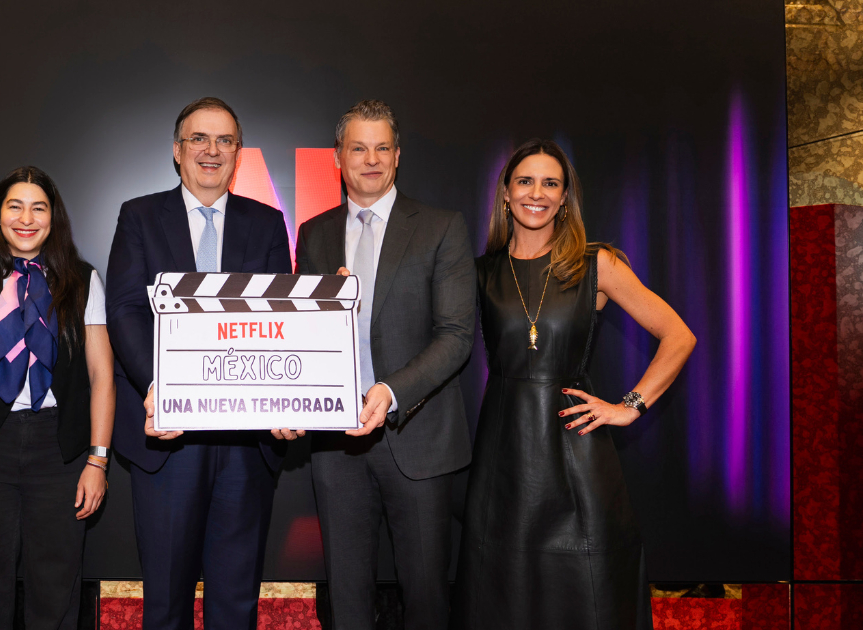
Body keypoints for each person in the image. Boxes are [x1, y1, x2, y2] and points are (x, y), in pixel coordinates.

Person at [450, 139, 697, 629]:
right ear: (505, 193)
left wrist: (630, 405)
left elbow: (679, 336)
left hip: (575, 454)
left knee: (588, 593)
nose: (536, 193)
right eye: (525, 181)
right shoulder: (480, 272)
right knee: (500, 593)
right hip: (503, 455)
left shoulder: (595, 263)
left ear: (564, 198)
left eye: (550, 183)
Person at [105, 96, 293, 630]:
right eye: (199, 139)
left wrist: (287, 397)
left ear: (238, 152)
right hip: (169, 440)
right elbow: (125, 311)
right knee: (166, 603)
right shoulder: (139, 216)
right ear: (177, 150)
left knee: (236, 605)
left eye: (225, 140)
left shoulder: (267, 223)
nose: (212, 150)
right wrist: (157, 387)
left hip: (246, 444)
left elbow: (284, 324)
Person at [293, 99, 476, 630]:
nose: (370, 160)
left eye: (382, 148)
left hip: (418, 439)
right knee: (347, 602)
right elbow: (302, 337)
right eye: (358, 148)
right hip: (335, 446)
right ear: (338, 157)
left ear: (398, 156)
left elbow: (456, 336)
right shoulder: (314, 233)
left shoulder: (441, 227)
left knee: (426, 601)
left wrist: (391, 391)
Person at [0, 166, 114, 628]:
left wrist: (98, 462)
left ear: (54, 217)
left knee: (55, 595)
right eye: (15, 207)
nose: (26, 218)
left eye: (39, 208)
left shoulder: (83, 282)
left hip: (60, 453)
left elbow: (102, 376)